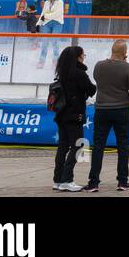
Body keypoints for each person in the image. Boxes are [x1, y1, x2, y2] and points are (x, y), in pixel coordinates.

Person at [85, 40, 129, 192]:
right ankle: (122, 181)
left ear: (112, 50)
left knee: (98, 146)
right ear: (125, 53)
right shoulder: (128, 68)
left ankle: (93, 182)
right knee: (123, 146)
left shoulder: (99, 65)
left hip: (102, 109)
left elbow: (98, 81)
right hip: (121, 110)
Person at [51, 45, 95, 192]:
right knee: (78, 145)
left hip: (61, 115)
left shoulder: (62, 72)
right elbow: (91, 89)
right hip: (75, 115)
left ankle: (57, 180)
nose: (84, 58)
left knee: (63, 146)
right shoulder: (79, 74)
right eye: (83, 55)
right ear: (78, 57)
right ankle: (67, 179)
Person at [36, 0, 66, 68]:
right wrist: (39, 23)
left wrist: (46, 16)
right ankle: (41, 61)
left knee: (54, 41)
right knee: (44, 42)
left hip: (57, 23)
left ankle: (55, 61)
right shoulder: (47, 2)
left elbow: (57, 14)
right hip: (47, 23)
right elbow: (43, 13)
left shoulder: (60, 2)